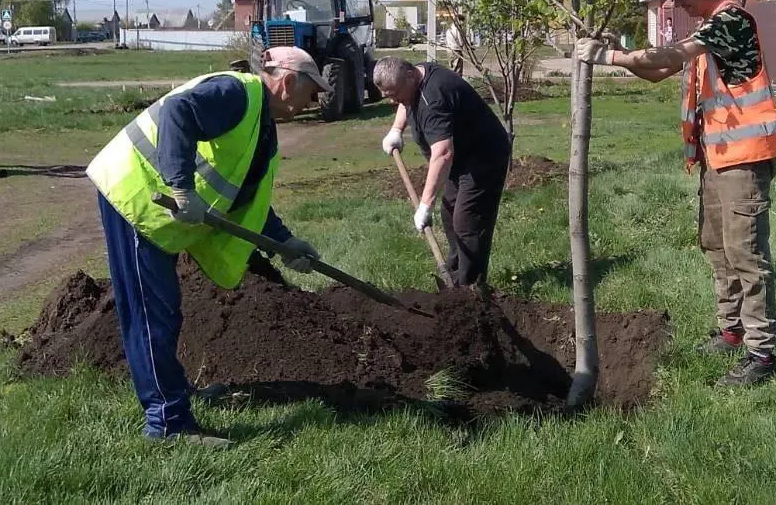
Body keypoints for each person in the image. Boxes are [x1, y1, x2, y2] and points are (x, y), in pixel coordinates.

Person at [86, 46, 331, 443]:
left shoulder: (259, 125)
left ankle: (173, 397)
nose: (311, 103)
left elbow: (243, 196)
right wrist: (181, 188)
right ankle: (167, 423)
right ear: (287, 82)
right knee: (152, 315)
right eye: (311, 93)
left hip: (158, 213)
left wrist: (284, 242)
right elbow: (177, 112)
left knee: (164, 311)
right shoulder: (235, 94)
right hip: (136, 196)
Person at [574, 0, 776, 388]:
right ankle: (732, 330)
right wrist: (620, 58)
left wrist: (609, 55)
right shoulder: (709, 32)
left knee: (746, 253)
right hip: (717, 156)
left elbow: (672, 53)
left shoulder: (730, 21)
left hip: (744, 157)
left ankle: (761, 353)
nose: (677, 3)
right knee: (716, 246)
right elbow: (660, 69)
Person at [373, 56, 511, 288]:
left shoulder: (433, 98)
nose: (394, 100)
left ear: (409, 75)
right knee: (449, 215)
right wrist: (397, 129)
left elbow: (443, 154)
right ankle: (457, 276)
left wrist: (425, 205)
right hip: (461, 158)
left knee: (467, 221)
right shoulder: (416, 76)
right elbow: (405, 102)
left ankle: (471, 289)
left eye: (395, 93)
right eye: (389, 95)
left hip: (483, 157)